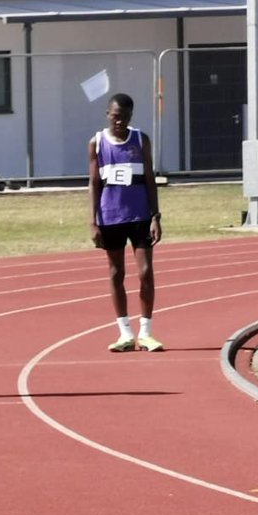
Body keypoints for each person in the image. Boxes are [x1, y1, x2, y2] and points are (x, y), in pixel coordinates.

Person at [89, 92, 163, 352]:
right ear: (108, 114)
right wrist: (93, 221)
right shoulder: (97, 143)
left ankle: (146, 332)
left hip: (140, 216)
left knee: (145, 273)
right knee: (116, 273)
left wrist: (156, 215)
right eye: (116, 117)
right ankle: (124, 333)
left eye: (125, 117)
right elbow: (94, 183)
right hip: (111, 217)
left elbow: (150, 179)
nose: (120, 122)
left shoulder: (141, 140)